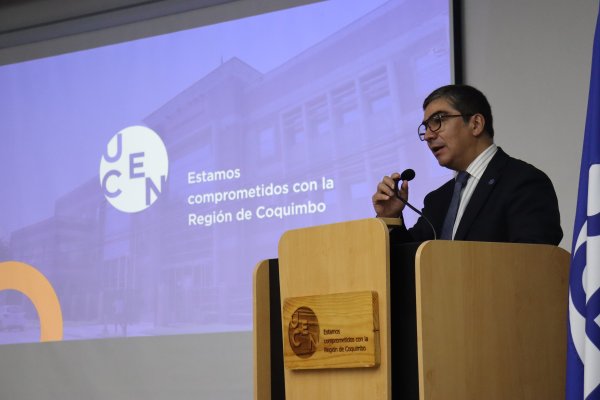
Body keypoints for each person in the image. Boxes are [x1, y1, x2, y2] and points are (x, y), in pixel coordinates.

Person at [372, 84, 563, 245]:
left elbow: (535, 261)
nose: (428, 135)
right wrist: (390, 218)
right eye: (426, 127)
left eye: (438, 120)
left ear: (476, 124)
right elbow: (409, 260)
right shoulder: (438, 199)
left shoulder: (523, 182)